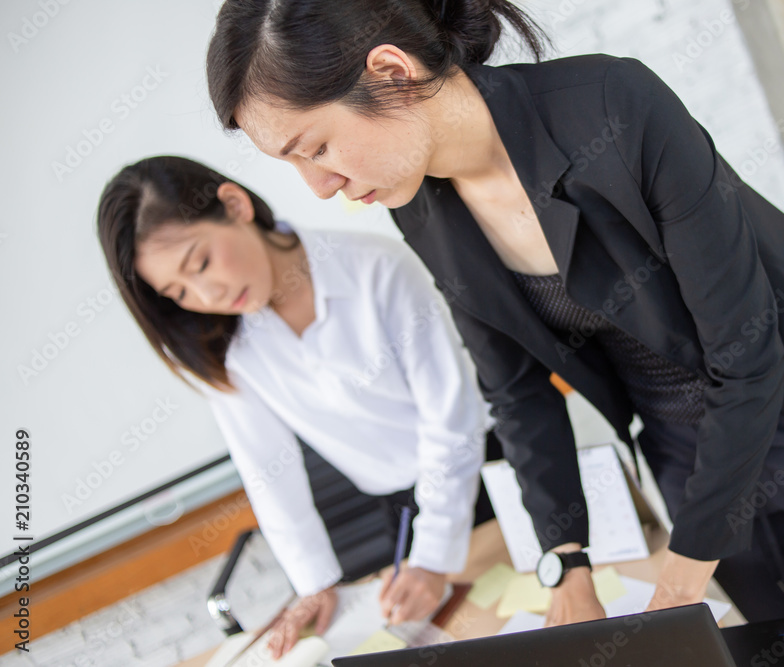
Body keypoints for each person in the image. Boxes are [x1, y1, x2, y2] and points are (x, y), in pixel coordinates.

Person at [203, 1, 784, 665]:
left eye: (315, 146)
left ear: (389, 72)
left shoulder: (614, 105)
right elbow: (515, 393)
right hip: (687, 444)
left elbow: (749, 353)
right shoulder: (419, 203)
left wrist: (683, 571)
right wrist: (567, 561)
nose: (320, 187)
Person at [96, 155, 495, 659]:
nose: (208, 293)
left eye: (200, 262)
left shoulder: (376, 268)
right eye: (179, 293)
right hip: (398, 504)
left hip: (487, 471)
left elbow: (451, 419)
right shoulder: (227, 348)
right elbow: (266, 471)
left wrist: (435, 557)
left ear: (235, 206)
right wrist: (314, 584)